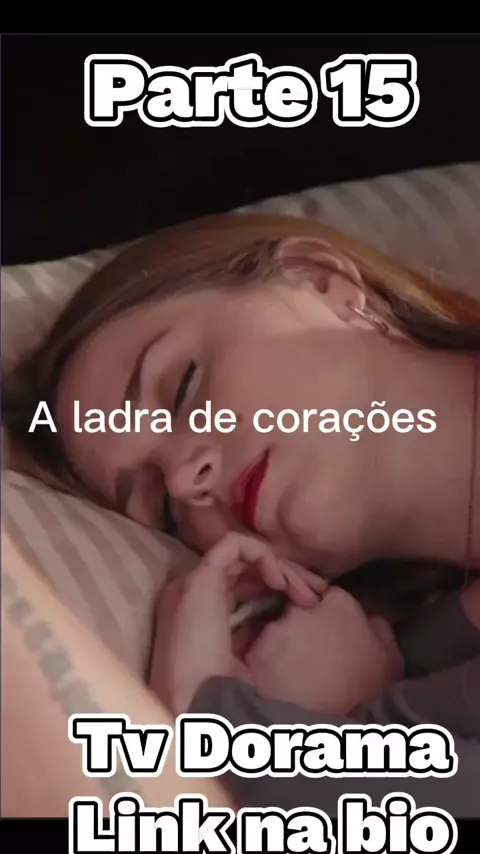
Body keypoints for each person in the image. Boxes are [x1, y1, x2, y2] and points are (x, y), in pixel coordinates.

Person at [3, 212, 480, 814]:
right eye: (165, 509)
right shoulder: (413, 663)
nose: (186, 479)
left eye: (183, 388)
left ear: (321, 280)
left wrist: (221, 722)